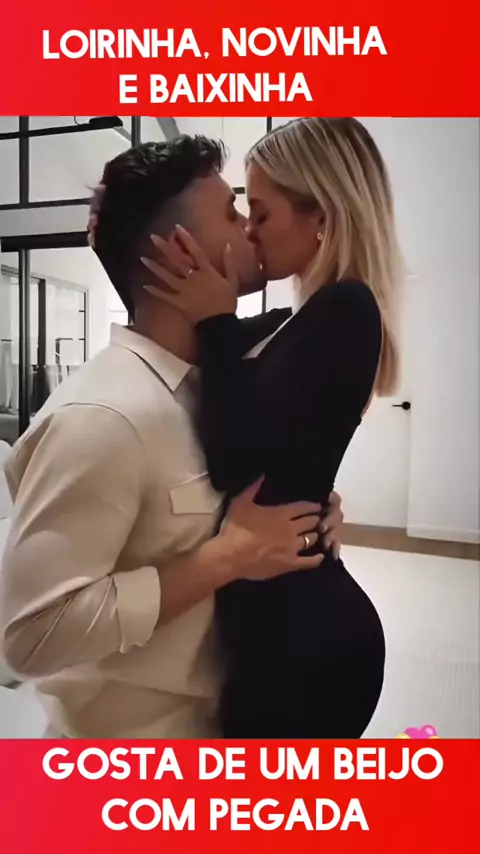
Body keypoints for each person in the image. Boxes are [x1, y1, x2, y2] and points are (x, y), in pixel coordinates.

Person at [0, 137, 343, 739]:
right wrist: (223, 558)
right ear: (180, 250)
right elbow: (31, 636)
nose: (251, 229)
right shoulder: (104, 415)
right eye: (233, 215)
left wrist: (309, 507)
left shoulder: (215, 386)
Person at [141, 117, 403, 738]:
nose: (250, 232)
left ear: (321, 215)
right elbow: (281, 436)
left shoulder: (346, 308)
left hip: (307, 642)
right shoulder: (299, 319)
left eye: (260, 213)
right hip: (283, 627)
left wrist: (216, 321)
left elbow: (233, 458)